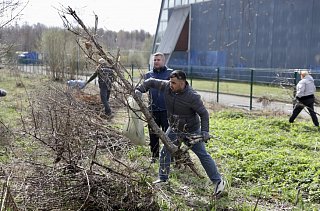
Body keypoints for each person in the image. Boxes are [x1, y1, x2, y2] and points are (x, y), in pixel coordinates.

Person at [135, 70, 225, 196]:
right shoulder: (167, 86)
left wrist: (205, 131)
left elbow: (204, 114)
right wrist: (139, 89)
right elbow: (150, 82)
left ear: (182, 83)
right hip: (174, 128)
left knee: (202, 155)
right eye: (170, 82)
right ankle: (163, 179)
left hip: (191, 130)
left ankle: (218, 182)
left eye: (174, 83)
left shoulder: (192, 96)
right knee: (165, 151)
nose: (170, 85)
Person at [144, 52, 172, 163]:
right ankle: (154, 156)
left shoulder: (171, 73)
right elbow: (144, 88)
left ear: (163, 61)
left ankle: (170, 156)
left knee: (168, 134)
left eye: (158, 60)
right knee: (153, 134)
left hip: (167, 110)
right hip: (153, 110)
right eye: (154, 60)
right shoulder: (148, 75)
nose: (156, 62)